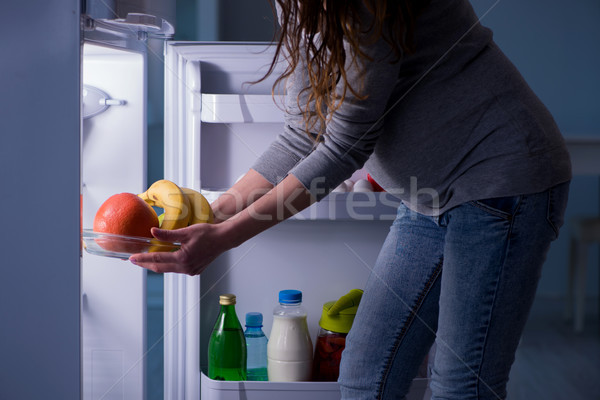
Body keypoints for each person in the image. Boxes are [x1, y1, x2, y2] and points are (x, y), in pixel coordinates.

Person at [130, 0, 571, 398]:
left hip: (501, 181)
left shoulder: (367, 6)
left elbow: (344, 147)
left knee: (460, 385)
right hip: (428, 200)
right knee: (366, 374)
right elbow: (306, 129)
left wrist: (226, 236)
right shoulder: (299, 4)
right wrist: (218, 212)